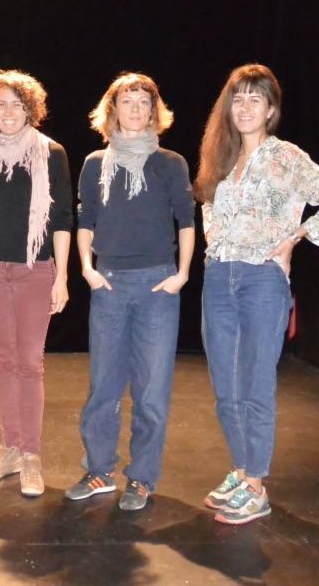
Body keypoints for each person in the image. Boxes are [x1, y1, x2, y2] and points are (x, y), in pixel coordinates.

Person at [194, 63, 319, 525]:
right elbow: (207, 202)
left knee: (254, 385)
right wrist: (213, 242)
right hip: (219, 278)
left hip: (262, 280)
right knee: (226, 388)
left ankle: (257, 487)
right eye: (238, 99)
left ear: (270, 110)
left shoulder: (285, 157)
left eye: (255, 99)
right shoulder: (222, 157)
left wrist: (294, 240)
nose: (245, 107)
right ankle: (241, 470)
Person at [64, 72, 195, 512]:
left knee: (151, 393)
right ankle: (99, 470)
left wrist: (182, 273)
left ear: (154, 111)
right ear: (113, 109)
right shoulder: (95, 163)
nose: (135, 109)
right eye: (127, 101)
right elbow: (85, 218)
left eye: (143, 102)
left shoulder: (170, 163)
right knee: (103, 388)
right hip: (109, 284)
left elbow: (187, 220)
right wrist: (87, 269)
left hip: (159, 286)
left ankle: (141, 478)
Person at [0, 70, 73, 498]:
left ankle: (31, 457)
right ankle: (9, 450)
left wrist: (62, 276)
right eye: (0, 104)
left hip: (34, 269)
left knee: (29, 363)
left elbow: (63, 217)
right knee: (3, 362)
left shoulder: (51, 152)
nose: (8, 112)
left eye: (17, 105)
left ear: (30, 109)